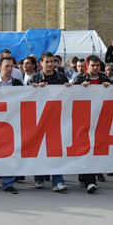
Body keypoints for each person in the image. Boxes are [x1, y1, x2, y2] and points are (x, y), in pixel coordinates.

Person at [28, 51, 70, 193]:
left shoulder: (61, 77)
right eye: (47, 62)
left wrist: (70, 89)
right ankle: (39, 177)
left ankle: (58, 181)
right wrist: (34, 90)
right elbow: (25, 98)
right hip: (38, 119)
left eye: (52, 61)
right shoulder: (33, 78)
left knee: (55, 150)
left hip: (56, 119)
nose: (50, 64)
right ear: (41, 63)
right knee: (40, 149)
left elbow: (70, 95)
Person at [71, 54, 111, 194]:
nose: (95, 68)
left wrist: (109, 88)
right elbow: (69, 95)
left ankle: (85, 176)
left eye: (98, 65)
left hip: (101, 119)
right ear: (87, 66)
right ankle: (90, 181)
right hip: (84, 120)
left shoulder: (105, 79)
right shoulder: (80, 79)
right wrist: (79, 88)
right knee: (86, 148)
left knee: (97, 148)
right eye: (93, 65)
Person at [0, 56, 23, 193]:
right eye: (6, 66)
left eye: (11, 66)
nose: (9, 69)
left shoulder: (18, 84)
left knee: (9, 152)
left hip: (12, 123)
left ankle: (8, 182)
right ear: (0, 67)